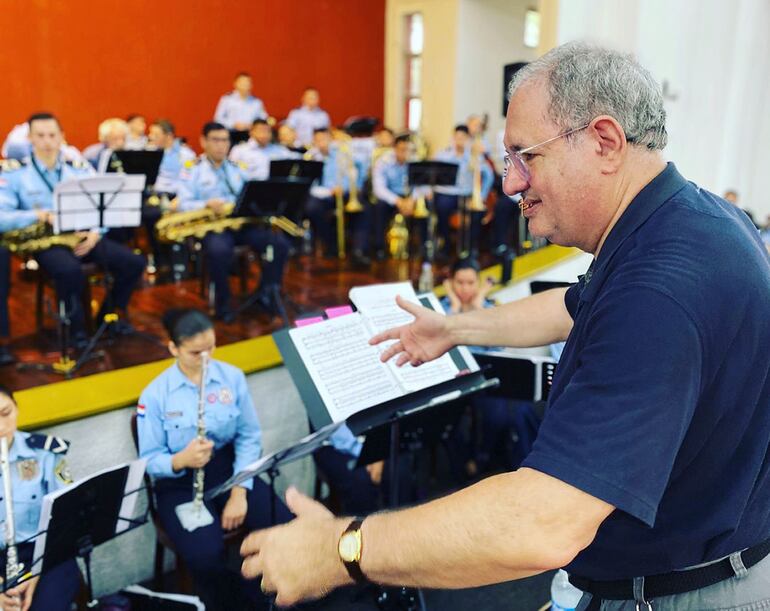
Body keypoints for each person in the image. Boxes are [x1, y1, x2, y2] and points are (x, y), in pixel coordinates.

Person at [240, 42, 770, 611]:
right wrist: (457, 328)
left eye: (526, 155)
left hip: (677, 594)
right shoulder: (690, 220)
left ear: (605, 142)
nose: (512, 183)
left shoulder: (659, 290)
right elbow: (575, 305)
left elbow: (542, 522)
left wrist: (339, 550)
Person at [137, 309, 290, 610]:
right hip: (178, 482)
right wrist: (181, 459)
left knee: (283, 524)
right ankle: (236, 603)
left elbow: (249, 436)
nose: (206, 357)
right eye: (196, 352)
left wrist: (239, 491)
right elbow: (149, 460)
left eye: (211, 348)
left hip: (229, 469)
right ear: (173, 349)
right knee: (206, 555)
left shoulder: (230, 377)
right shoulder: (155, 395)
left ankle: (275, 596)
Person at [0, 113, 145, 343]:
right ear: (30, 138)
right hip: (46, 240)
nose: (47, 141)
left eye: (52, 135)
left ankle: (106, 318)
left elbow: (104, 203)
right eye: (40, 136)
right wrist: (37, 215)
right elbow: (3, 217)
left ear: (62, 137)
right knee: (69, 271)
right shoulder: (14, 172)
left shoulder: (78, 168)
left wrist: (96, 233)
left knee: (134, 263)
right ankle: (75, 330)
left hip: (83, 235)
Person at [177, 122, 289, 322]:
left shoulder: (238, 169)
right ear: (203, 142)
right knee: (219, 251)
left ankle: (263, 293)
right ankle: (224, 303)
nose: (221, 145)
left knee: (279, 243)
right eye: (216, 140)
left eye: (225, 140)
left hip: (240, 224)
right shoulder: (191, 169)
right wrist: (206, 204)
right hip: (213, 227)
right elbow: (183, 204)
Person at [441, 258, 540, 476]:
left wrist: (478, 307)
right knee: (451, 422)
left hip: (486, 376)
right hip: (453, 379)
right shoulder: (443, 308)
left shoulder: (489, 307)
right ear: (451, 283)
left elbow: (499, 344)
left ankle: (487, 459)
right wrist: (455, 309)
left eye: (470, 283)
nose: (465, 288)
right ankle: (465, 465)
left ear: (477, 283)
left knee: (504, 414)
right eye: (459, 282)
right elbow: (444, 342)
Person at [0, 384, 80, 611]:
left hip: (44, 552)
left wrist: (36, 572)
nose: (2, 427)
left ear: (16, 408)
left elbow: (68, 518)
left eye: (6, 413)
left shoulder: (45, 453)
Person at [304, 128, 370, 265]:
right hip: (322, 195)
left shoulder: (342, 153)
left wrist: (352, 186)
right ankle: (330, 243)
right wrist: (328, 191)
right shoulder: (310, 157)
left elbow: (361, 165)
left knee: (364, 209)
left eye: (325, 139)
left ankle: (359, 250)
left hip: (344, 193)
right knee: (312, 208)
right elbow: (309, 184)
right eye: (319, 140)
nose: (322, 143)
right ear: (314, 141)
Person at [433, 125, 493, 258]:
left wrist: (481, 195)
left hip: (467, 194)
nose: (459, 140)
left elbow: (489, 175)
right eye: (457, 137)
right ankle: (446, 244)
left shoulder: (474, 155)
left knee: (477, 212)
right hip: (448, 193)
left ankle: (472, 247)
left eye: (463, 138)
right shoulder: (443, 155)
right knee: (442, 207)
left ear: (467, 139)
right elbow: (435, 175)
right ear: (453, 138)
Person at [371, 134, 426, 260]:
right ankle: (380, 248)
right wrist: (398, 201)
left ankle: (422, 247)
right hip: (391, 197)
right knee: (379, 207)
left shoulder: (416, 161)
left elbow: (422, 185)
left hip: (411, 197)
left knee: (424, 209)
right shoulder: (383, 162)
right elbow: (379, 188)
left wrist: (412, 200)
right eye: (402, 149)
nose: (405, 153)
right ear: (394, 148)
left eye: (408, 150)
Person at [228, 119, 295, 180]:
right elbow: (231, 172)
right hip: (250, 187)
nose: (265, 134)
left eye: (268, 131)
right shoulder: (239, 150)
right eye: (261, 131)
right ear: (251, 132)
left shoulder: (279, 150)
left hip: (274, 187)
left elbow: (296, 158)